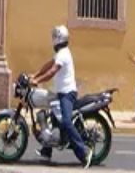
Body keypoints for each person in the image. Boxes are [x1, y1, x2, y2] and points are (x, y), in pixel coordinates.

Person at [30, 25, 91, 167]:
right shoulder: (60, 53)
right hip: (59, 92)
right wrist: (34, 75)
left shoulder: (63, 54)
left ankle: (84, 152)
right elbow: (48, 65)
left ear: (58, 38)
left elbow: (52, 71)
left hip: (67, 94)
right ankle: (47, 150)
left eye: (53, 37)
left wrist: (37, 81)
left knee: (66, 122)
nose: (52, 40)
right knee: (51, 116)